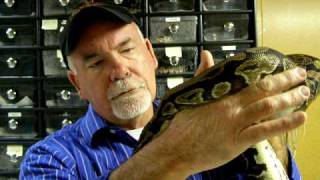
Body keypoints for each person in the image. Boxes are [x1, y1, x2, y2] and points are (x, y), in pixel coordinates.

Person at [20, 2, 310, 179]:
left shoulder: (218, 121)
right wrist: (178, 151)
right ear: (76, 84)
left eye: (127, 49)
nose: (119, 71)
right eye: (96, 63)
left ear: (151, 54)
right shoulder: (49, 159)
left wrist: (265, 127)